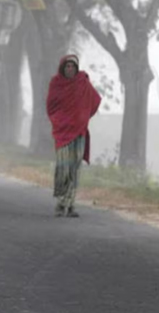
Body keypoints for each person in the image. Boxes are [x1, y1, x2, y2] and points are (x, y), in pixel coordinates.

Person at [46, 54, 101, 218]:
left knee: (75, 168)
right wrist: (58, 121)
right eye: (67, 66)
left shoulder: (82, 83)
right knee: (63, 167)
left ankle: (69, 205)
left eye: (72, 67)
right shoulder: (56, 84)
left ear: (77, 68)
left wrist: (83, 117)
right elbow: (51, 107)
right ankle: (61, 201)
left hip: (79, 132)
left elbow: (95, 100)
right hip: (63, 133)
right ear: (63, 68)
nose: (70, 69)